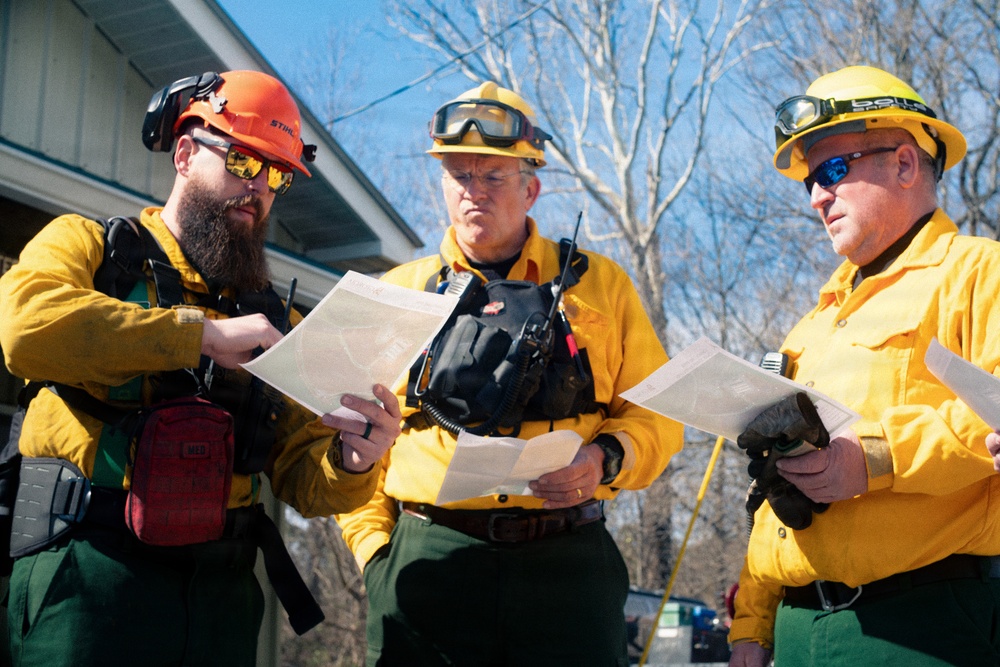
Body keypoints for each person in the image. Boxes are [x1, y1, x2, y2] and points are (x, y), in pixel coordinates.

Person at [0, 70, 402, 666]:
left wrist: (354, 457)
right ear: (185, 153)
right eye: (243, 162)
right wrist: (198, 337)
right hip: (86, 577)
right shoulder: (90, 249)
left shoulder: (277, 319)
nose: (259, 189)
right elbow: (25, 328)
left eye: (276, 176)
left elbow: (303, 478)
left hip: (224, 595)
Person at [335, 81, 684, 665]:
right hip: (427, 561)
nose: (474, 193)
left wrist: (603, 461)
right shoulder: (395, 294)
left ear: (532, 187)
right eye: (458, 176)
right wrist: (377, 553)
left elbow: (657, 415)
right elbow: (349, 434)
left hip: (568, 565)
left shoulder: (602, 285)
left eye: (493, 177)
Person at [728, 65, 1000, 667]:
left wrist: (874, 457)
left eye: (831, 171)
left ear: (904, 164)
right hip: (797, 628)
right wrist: (753, 622)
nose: (818, 196)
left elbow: (994, 418)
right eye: (808, 184)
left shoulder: (979, 274)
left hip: (921, 625)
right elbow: (770, 487)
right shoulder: (812, 326)